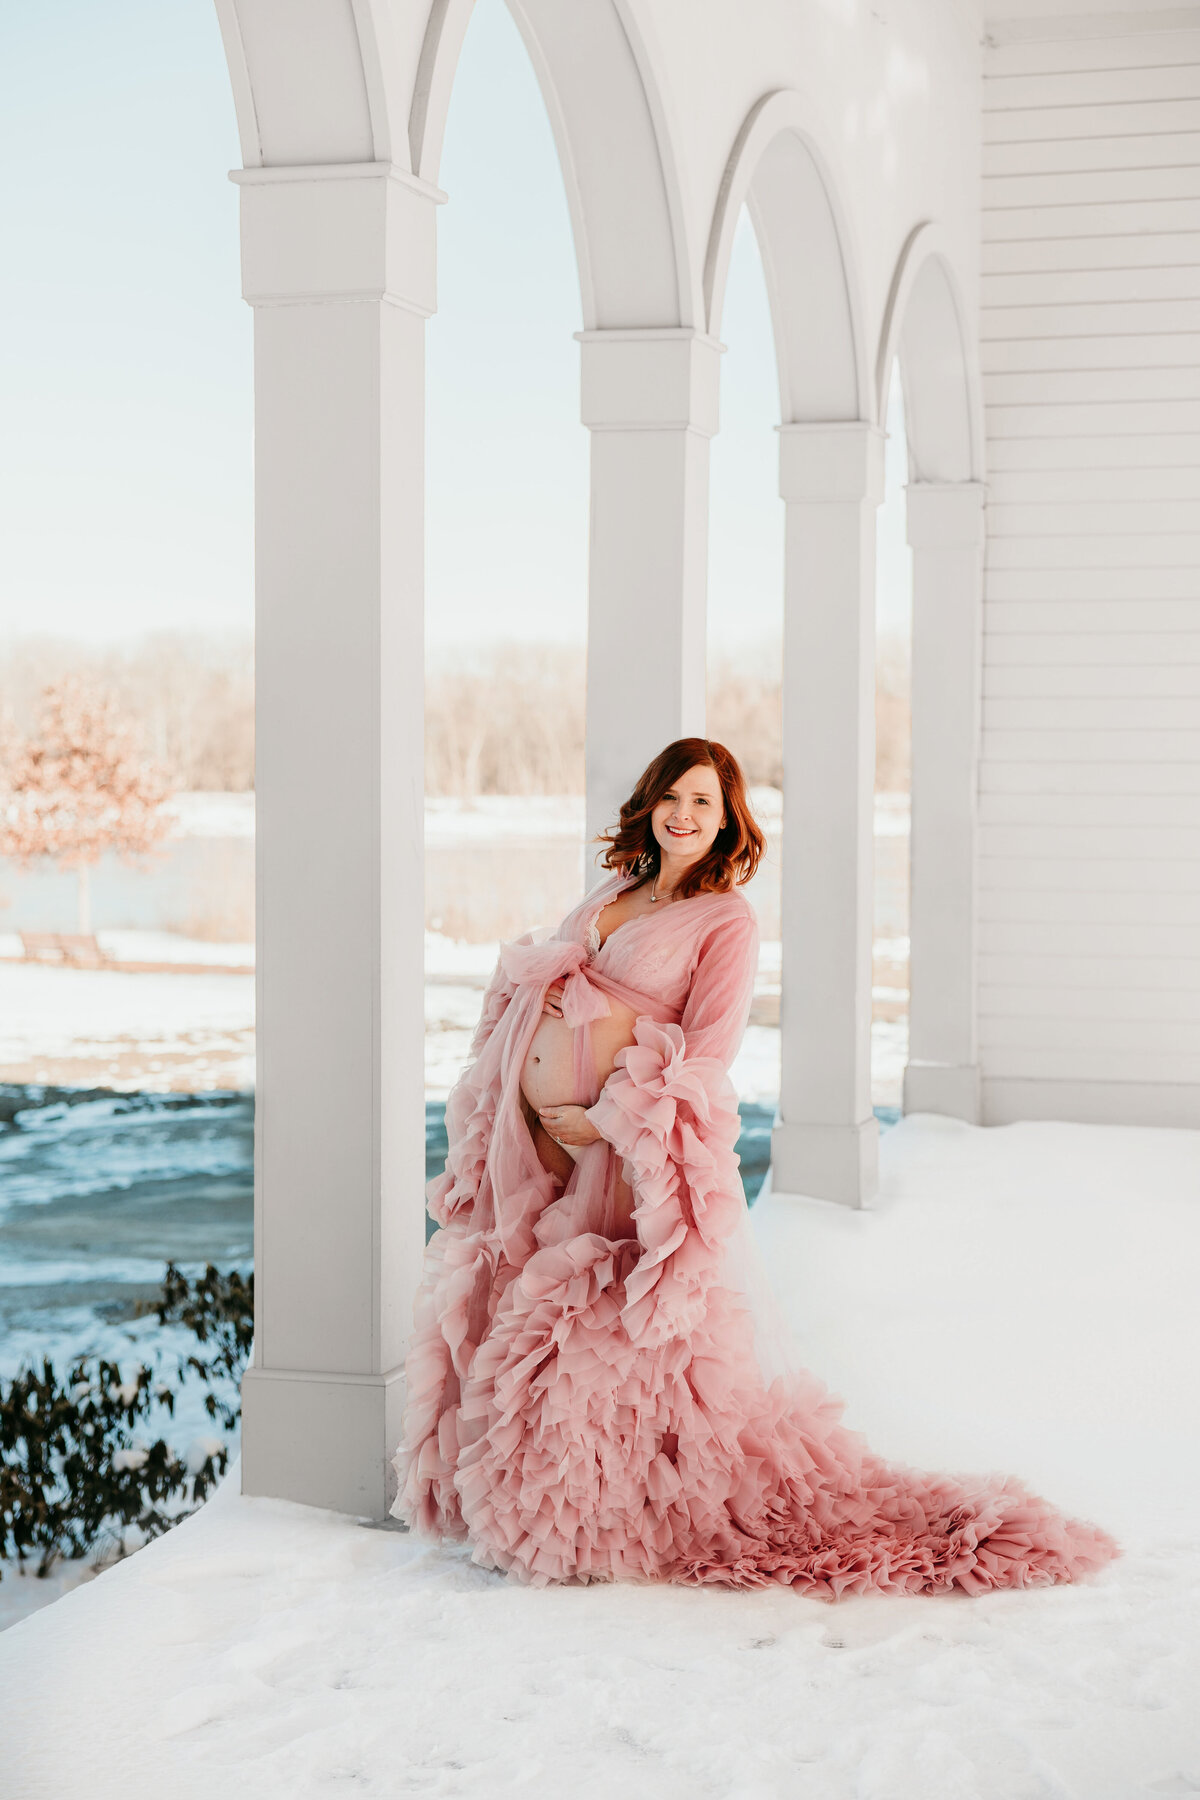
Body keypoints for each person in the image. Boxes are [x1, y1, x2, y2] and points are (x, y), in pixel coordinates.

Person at [391, 737, 1119, 1597]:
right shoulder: (613, 891)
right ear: (648, 805)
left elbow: (708, 1052)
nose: (684, 814)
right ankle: (536, 1497)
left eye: (704, 801)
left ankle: (602, 1518)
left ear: (728, 815)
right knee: (527, 1311)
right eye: (672, 797)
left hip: (624, 1153)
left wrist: (604, 1119)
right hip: (544, 1142)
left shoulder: (726, 918)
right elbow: (552, 985)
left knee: (602, 1333)